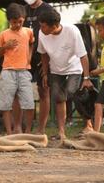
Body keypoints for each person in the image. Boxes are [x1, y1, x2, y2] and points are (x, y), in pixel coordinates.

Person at [37, 9, 93, 140]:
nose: (40, 28)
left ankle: (89, 125)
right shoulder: (41, 33)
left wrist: (86, 78)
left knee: (72, 92)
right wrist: (45, 73)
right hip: (56, 69)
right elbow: (43, 54)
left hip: (74, 68)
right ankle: (61, 132)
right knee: (58, 98)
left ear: (54, 25)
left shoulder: (72, 31)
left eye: (43, 25)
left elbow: (83, 55)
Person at [0, 3, 35, 135]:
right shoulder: (4, 34)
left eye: (20, 21)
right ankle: (9, 132)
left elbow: (31, 44)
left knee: (29, 103)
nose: (17, 24)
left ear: (24, 19)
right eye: (14, 22)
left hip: (24, 71)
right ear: (9, 21)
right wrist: (5, 47)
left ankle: (28, 131)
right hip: (8, 71)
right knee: (6, 104)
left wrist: (29, 57)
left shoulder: (28, 32)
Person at [20, 0, 53, 134]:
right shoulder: (23, 10)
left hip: (43, 56)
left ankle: (41, 129)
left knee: (43, 90)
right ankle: (24, 127)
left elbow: (53, 33)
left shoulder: (47, 9)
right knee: (22, 91)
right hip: (24, 56)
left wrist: (48, 56)